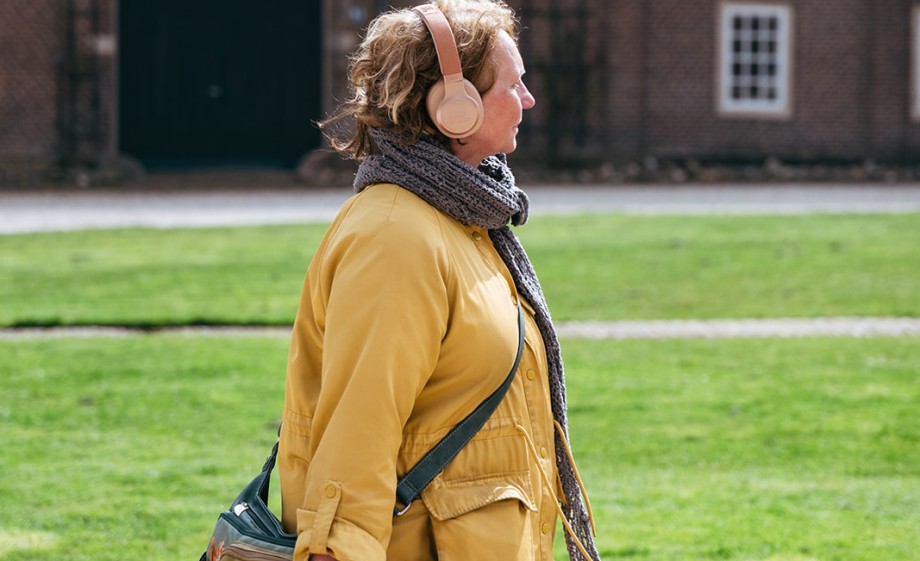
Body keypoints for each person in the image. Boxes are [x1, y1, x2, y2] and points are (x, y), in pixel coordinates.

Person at [277, 1, 601, 560]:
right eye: (514, 84)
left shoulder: (464, 222)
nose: (528, 99)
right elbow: (357, 437)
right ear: (455, 106)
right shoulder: (395, 237)